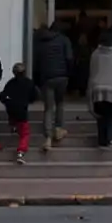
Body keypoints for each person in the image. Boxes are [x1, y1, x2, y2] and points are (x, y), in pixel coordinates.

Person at [32, 20, 74, 151]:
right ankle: (58, 129)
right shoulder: (64, 40)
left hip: (47, 78)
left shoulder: (41, 41)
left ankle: (48, 138)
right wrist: (69, 73)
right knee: (60, 103)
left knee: (48, 108)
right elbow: (69, 58)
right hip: (61, 76)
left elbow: (36, 62)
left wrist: (37, 80)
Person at [88, 32, 112, 148]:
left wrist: (89, 95)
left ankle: (102, 140)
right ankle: (111, 140)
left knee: (101, 116)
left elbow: (92, 73)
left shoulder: (95, 54)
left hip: (98, 89)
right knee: (111, 116)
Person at [0, 63, 39, 164]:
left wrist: (7, 102)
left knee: (14, 118)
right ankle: (21, 152)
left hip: (12, 109)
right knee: (25, 133)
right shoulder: (28, 83)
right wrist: (29, 101)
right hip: (22, 110)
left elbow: (2, 96)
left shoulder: (10, 83)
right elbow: (35, 95)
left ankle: (13, 126)